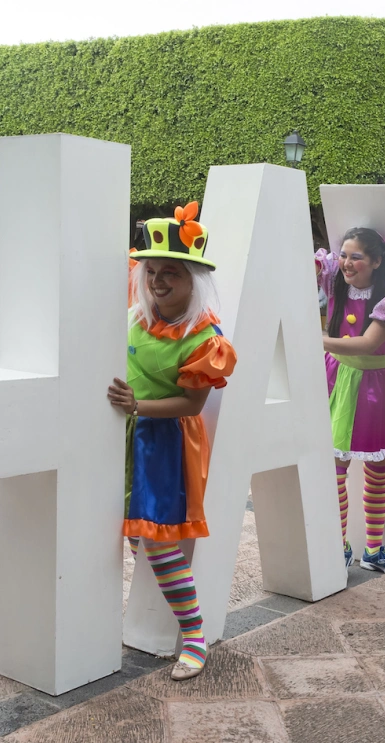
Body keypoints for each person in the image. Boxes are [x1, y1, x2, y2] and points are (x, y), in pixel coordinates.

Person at [107, 202, 237, 681]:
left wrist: (136, 405)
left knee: (159, 547)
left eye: (171, 274)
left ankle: (195, 637)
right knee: (124, 538)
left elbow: (191, 406)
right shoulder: (136, 313)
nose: (158, 281)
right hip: (115, 436)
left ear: (193, 280)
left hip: (163, 447)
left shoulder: (204, 337)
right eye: (153, 271)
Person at [316, 228, 385, 576]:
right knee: (334, 468)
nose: (346, 262)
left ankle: (373, 550)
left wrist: (317, 339)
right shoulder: (335, 280)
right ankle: (339, 545)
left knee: (377, 469)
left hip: (380, 386)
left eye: (355, 256)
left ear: (376, 261)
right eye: (343, 254)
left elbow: (367, 344)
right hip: (338, 381)